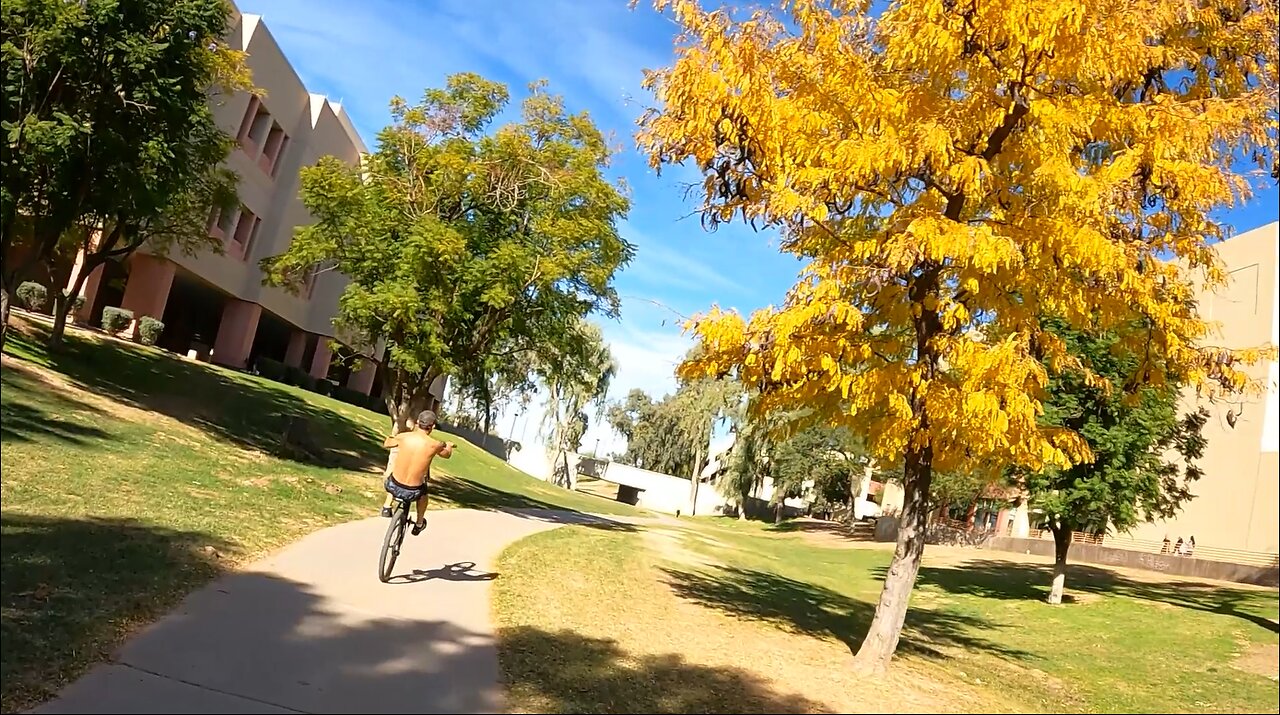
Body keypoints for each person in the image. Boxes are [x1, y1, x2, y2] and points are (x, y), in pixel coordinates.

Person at [379, 410, 455, 535]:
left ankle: (387, 506)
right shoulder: (434, 444)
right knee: (424, 492)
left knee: (395, 474)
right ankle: (419, 523)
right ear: (433, 426)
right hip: (414, 491)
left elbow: (387, 443)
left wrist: (394, 437)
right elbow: (447, 454)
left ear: (417, 423)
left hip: (393, 486)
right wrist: (449, 446)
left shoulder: (404, 437)